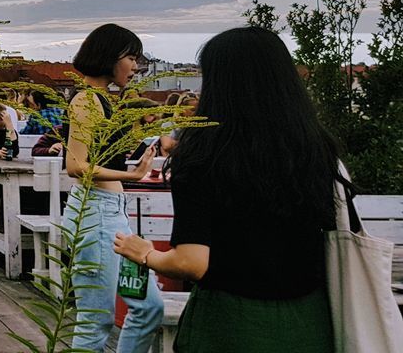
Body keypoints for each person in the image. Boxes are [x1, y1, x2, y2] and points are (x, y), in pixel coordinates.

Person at [113, 28, 339, 352]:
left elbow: (192, 263)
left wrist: (145, 253)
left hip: (230, 322)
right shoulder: (315, 148)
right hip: (309, 321)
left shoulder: (204, 155)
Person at [63, 23, 161, 352]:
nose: (136, 66)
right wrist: (134, 177)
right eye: (131, 57)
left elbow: (105, 157)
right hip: (95, 216)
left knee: (149, 308)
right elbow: (76, 166)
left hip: (113, 217)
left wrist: (135, 136)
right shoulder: (87, 101)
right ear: (109, 57)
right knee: (94, 320)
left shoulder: (104, 102)